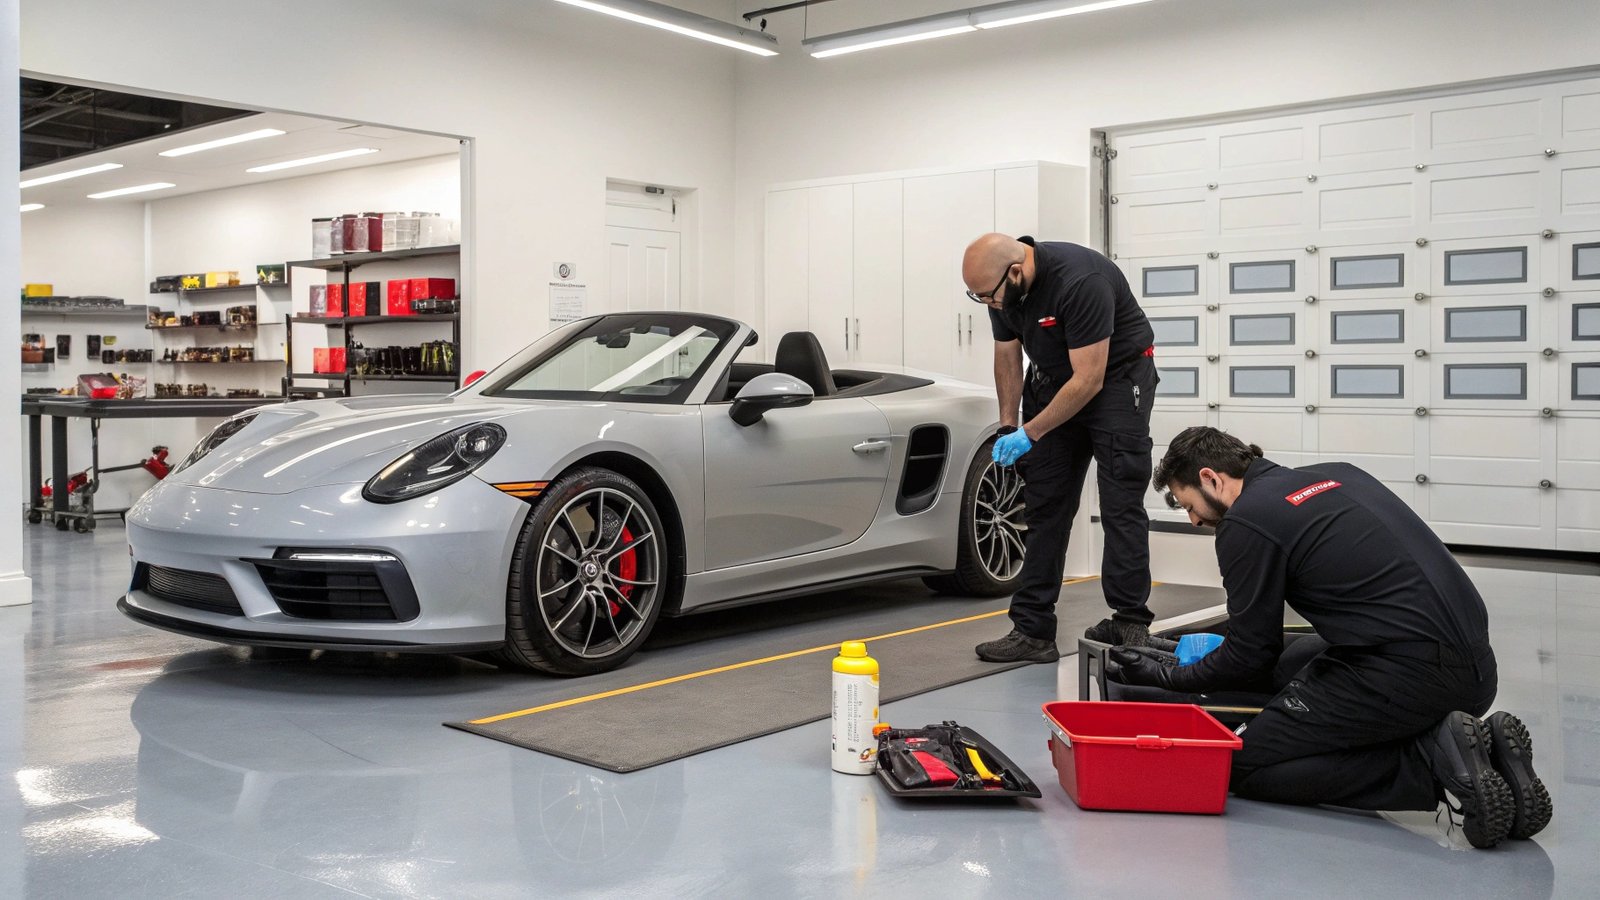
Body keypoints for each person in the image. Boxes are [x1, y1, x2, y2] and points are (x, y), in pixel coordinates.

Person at [1112, 426, 1551, 848]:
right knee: (1291, 664)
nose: (1192, 520)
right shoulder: (1337, 474)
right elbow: (1265, 645)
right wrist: (1191, 645)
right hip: (1472, 666)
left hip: (1410, 674)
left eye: (1187, 504)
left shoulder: (1246, 522)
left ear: (1211, 478)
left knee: (1242, 765)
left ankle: (1430, 765)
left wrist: (1169, 677)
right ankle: (1483, 755)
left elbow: (1250, 656)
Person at [961, 233, 1160, 664]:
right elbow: (1008, 357)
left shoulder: (1080, 281)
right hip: (1053, 382)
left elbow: (1089, 379)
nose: (987, 305)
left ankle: (1130, 620)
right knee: (1045, 504)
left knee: (1120, 502)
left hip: (1116, 383)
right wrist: (1008, 425)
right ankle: (1032, 630)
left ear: (1016, 271)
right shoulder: (1003, 291)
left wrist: (1030, 433)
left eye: (986, 297)